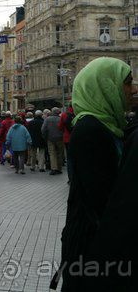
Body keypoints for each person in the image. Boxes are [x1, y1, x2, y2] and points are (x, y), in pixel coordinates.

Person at [56, 57, 136, 291]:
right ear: (106, 86)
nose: (132, 89)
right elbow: (101, 197)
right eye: (127, 83)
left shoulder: (110, 125)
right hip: (91, 245)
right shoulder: (90, 129)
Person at [42, 107, 64, 175]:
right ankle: (59, 168)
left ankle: (54, 168)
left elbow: (43, 129)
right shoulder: (61, 119)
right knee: (60, 154)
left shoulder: (47, 119)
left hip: (50, 139)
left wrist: (45, 136)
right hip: (60, 138)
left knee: (52, 153)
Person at [58, 104, 75, 182]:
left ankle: (70, 177)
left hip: (67, 138)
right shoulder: (79, 113)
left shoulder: (64, 114)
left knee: (70, 158)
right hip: (78, 137)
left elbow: (60, 127)